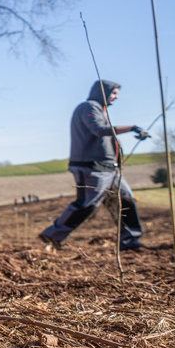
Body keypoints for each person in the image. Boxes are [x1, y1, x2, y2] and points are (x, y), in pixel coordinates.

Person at [38, 80, 148, 250]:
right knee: (87, 204)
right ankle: (52, 236)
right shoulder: (88, 107)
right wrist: (132, 128)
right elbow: (99, 130)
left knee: (125, 200)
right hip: (91, 167)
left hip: (109, 168)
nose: (116, 98)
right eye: (113, 93)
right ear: (102, 92)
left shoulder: (100, 111)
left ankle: (129, 240)